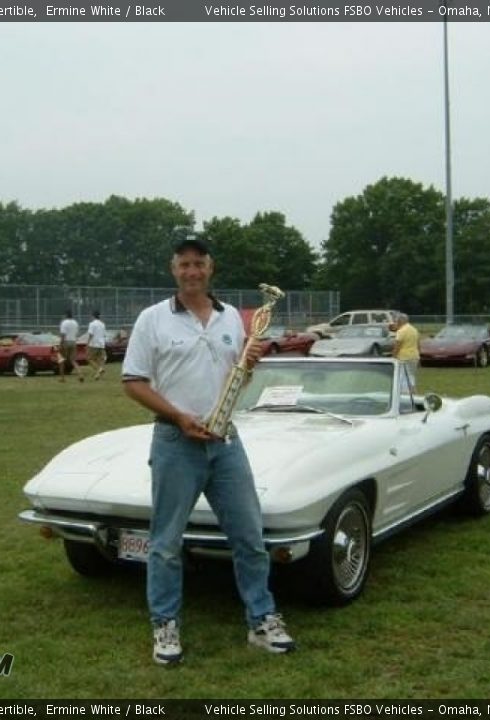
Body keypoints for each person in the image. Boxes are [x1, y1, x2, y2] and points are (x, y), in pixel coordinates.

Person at [121, 236, 296, 666]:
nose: (192, 271)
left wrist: (248, 366)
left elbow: (236, 379)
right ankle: (165, 625)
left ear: (210, 268)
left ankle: (262, 620)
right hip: (175, 442)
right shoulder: (152, 319)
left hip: (226, 442)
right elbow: (133, 382)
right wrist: (181, 417)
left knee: (250, 538)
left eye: (199, 264)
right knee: (164, 543)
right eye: (184, 264)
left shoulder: (230, 316)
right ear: (173, 269)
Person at [390, 313, 419, 394]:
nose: (396, 322)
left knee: (402, 377)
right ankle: (413, 392)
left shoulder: (401, 331)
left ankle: (405, 394)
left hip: (403, 357)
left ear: (400, 321)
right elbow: (418, 344)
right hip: (414, 356)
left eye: (396, 321)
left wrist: (393, 357)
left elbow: (397, 346)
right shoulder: (414, 329)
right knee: (411, 376)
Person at [58, 311, 84, 383]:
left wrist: (60, 344)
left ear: (66, 315)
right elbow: (77, 333)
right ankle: (80, 374)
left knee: (61, 360)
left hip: (66, 342)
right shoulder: (75, 323)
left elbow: (63, 334)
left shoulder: (64, 323)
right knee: (73, 360)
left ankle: (62, 378)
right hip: (73, 341)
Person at [85, 310, 108, 381]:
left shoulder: (92, 324)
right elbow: (104, 335)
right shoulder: (103, 324)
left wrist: (87, 343)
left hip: (94, 344)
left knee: (89, 359)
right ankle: (98, 375)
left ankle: (99, 369)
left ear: (93, 316)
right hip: (101, 344)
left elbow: (91, 334)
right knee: (99, 359)